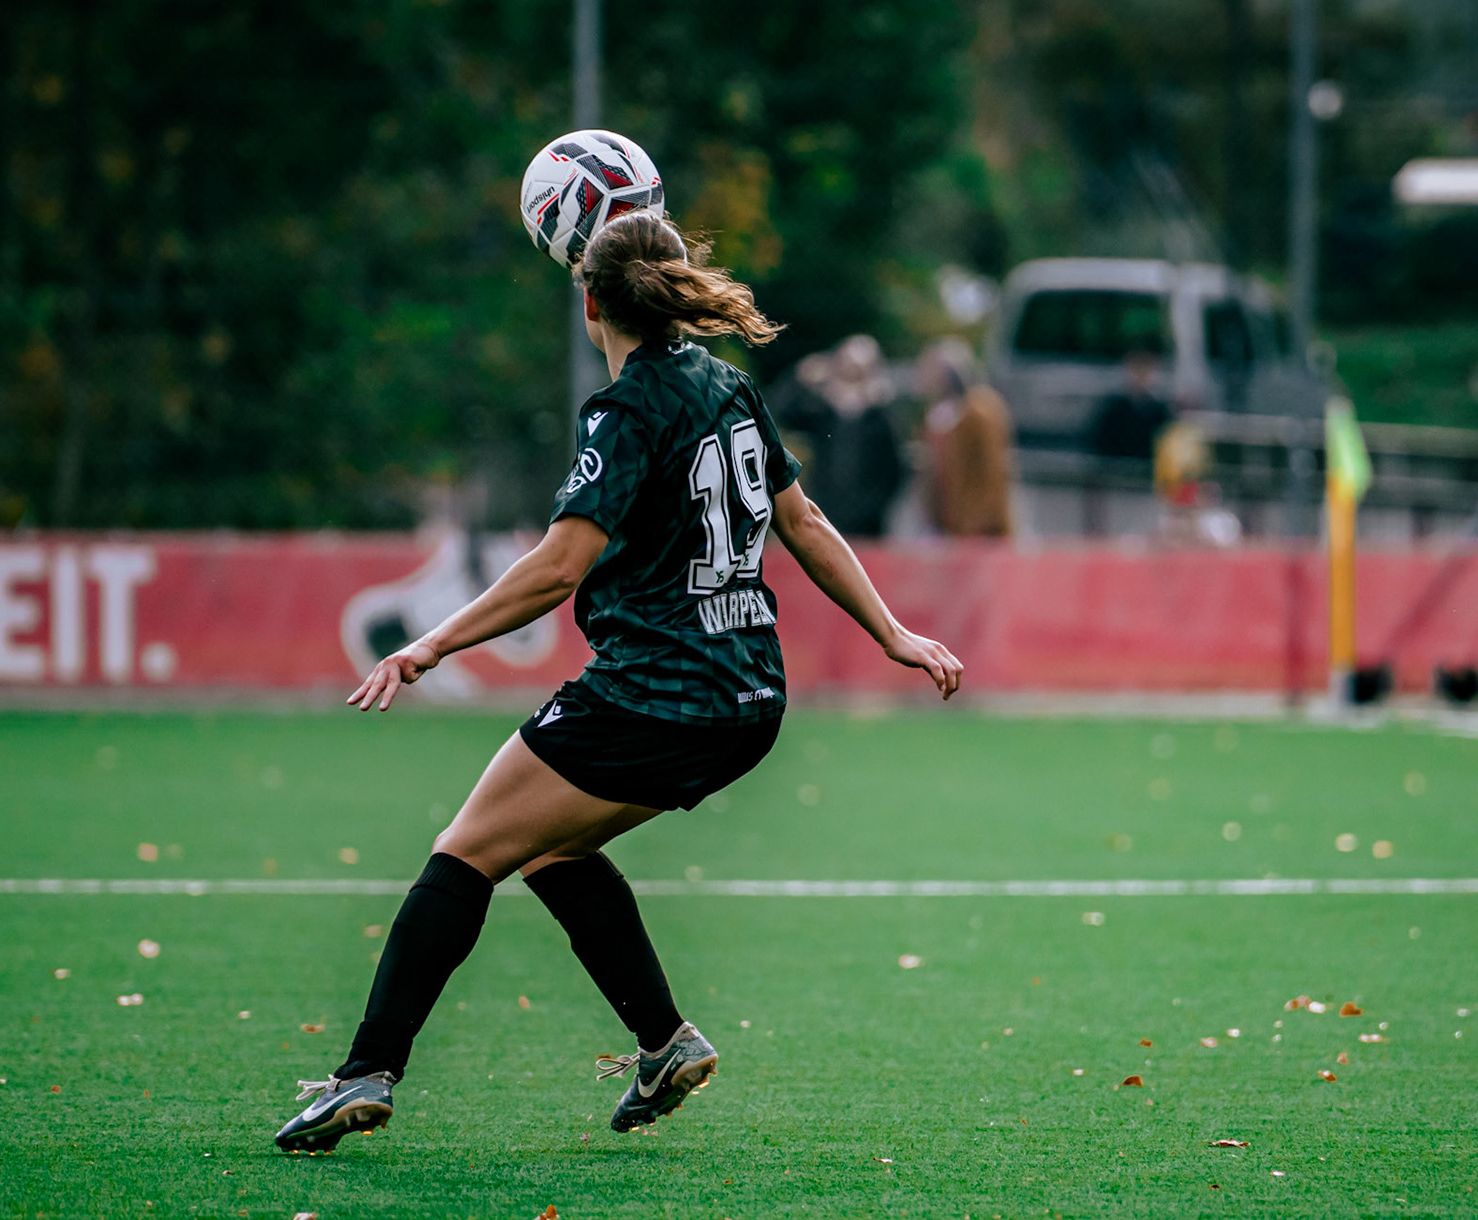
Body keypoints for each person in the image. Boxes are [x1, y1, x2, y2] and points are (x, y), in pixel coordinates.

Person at [273, 211, 963, 1153]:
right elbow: (803, 524)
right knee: (549, 850)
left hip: (656, 693)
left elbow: (559, 567)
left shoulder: (627, 412)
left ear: (589, 302)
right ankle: (665, 1045)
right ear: (674, 291)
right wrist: (894, 632)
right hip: (749, 699)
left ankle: (364, 1075)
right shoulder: (728, 386)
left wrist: (427, 646)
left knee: (465, 849)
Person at [791, 335, 906, 538]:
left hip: (868, 523)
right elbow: (784, 414)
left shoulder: (881, 414)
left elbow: (895, 469)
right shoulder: (823, 409)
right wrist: (800, 380)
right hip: (826, 511)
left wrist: (873, 507)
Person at [916, 336, 1013, 537]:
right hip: (946, 524)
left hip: (978, 529)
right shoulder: (936, 415)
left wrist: (980, 522)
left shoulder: (982, 410)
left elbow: (992, 469)